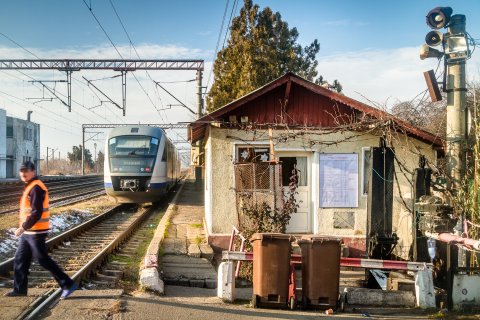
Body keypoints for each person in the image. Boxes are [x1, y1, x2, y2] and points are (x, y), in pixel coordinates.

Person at [4, 161, 77, 299]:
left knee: (43, 259)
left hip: (36, 232)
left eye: (26, 171)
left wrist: (23, 227)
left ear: (33, 171)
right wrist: (24, 228)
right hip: (28, 232)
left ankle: (67, 284)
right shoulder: (30, 186)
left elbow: (36, 213)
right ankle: (19, 290)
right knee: (20, 259)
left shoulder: (36, 187)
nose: (23, 173)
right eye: (21, 171)